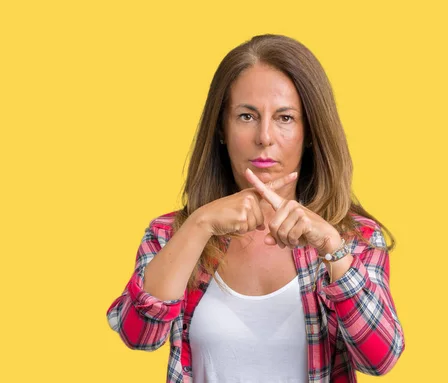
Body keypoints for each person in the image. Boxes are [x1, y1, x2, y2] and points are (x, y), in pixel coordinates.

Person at [106, 34, 405, 383]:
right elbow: (137, 334)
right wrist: (200, 224)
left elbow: (380, 359)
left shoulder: (353, 238)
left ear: (309, 132)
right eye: (247, 116)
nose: (264, 137)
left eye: (285, 118)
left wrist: (331, 247)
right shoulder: (170, 234)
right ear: (221, 128)